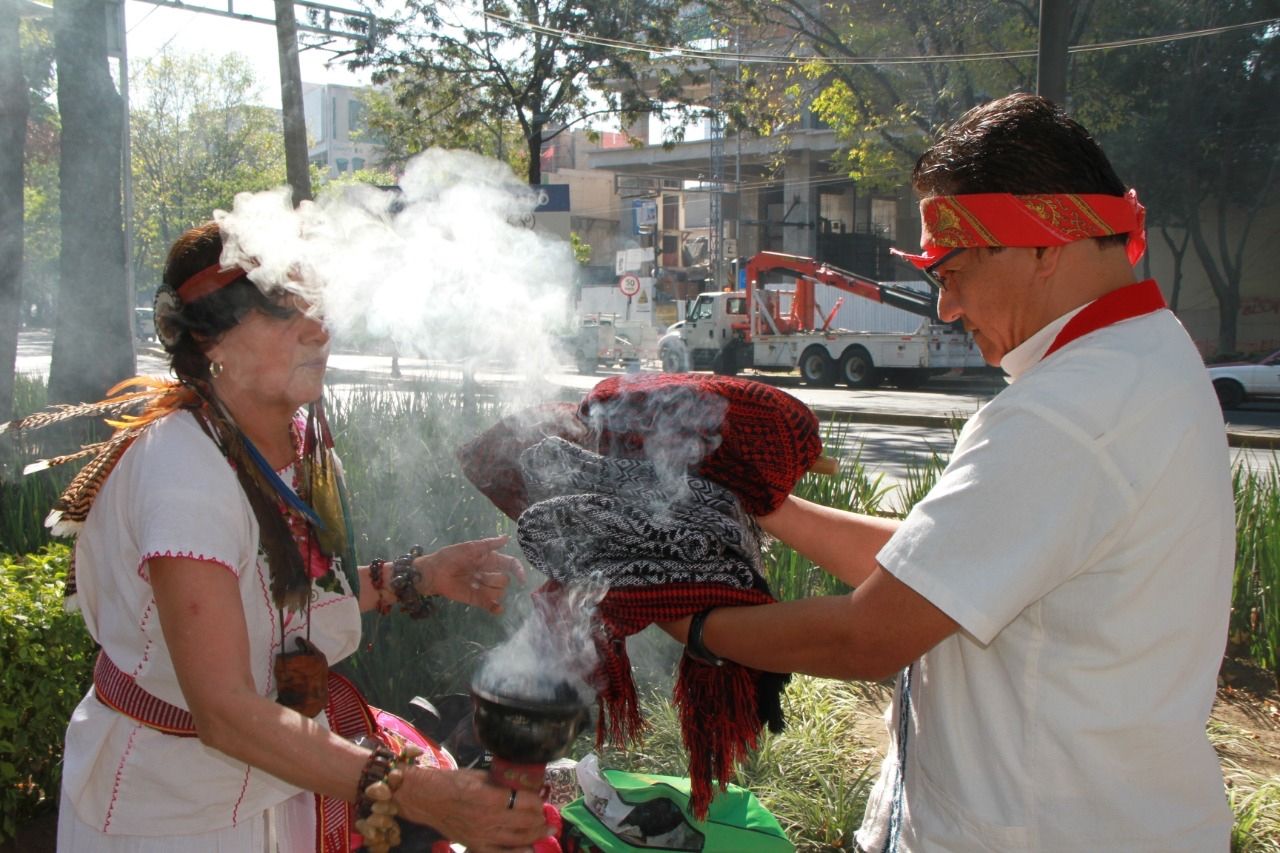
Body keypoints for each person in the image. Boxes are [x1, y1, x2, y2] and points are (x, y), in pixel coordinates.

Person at [662, 93, 1235, 851]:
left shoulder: (1064, 412)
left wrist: (690, 624)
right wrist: (774, 506)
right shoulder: (1150, 354)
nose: (947, 304)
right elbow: (938, 566)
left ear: (1043, 244)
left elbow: (869, 635)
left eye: (952, 267)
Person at [45, 221, 554, 852]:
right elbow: (225, 712)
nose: (319, 330)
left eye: (318, 309)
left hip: (282, 781)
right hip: (175, 807)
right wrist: (415, 791)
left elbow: (283, 599)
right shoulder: (182, 474)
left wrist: (416, 577)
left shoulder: (300, 446)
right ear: (211, 339)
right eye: (285, 312)